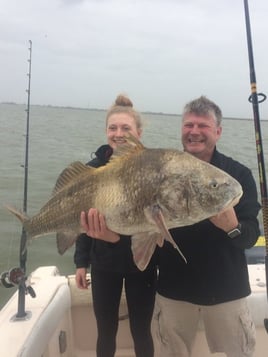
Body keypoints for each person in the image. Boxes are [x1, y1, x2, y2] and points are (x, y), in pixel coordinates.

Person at [152, 96, 261, 357]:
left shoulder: (238, 176)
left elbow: (250, 236)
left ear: (218, 132)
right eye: (189, 125)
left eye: (203, 126)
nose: (195, 132)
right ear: (182, 129)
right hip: (173, 289)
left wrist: (232, 226)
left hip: (226, 291)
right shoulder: (162, 170)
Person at [74, 94, 157, 357]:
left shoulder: (151, 170)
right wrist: (80, 263)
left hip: (141, 264)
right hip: (103, 266)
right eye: (113, 128)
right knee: (105, 330)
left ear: (139, 133)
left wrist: (115, 239)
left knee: (141, 330)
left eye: (126, 128)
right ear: (106, 131)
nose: (118, 134)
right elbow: (83, 221)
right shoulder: (92, 169)